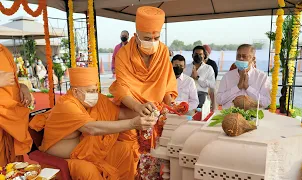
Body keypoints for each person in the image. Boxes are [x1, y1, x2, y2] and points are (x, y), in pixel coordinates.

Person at [29, 67, 157, 179]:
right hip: (63, 159)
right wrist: (133, 124)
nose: (95, 94)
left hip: (88, 152)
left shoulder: (98, 100)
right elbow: (91, 129)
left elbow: (120, 114)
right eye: (90, 91)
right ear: (75, 92)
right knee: (88, 171)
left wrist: (141, 110)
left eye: (96, 89)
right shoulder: (67, 105)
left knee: (123, 150)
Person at [109, 6, 178, 179]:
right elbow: (122, 88)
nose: (153, 41)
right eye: (147, 38)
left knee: (166, 152)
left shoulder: (162, 51)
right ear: (136, 35)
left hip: (157, 112)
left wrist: (171, 109)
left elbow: (167, 84)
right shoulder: (123, 54)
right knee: (133, 159)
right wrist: (139, 107)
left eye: (156, 37)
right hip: (132, 109)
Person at [0, 44, 33, 166]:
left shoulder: (3, 50)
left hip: (11, 122)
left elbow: (10, 81)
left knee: (13, 170)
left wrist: (22, 87)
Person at [216, 44, 271, 109]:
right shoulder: (227, 76)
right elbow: (219, 100)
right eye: (238, 56)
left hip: (252, 117)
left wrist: (247, 88)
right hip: (230, 115)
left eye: (244, 56)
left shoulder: (262, 77)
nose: (241, 59)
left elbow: (266, 102)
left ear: (253, 58)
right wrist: (237, 87)